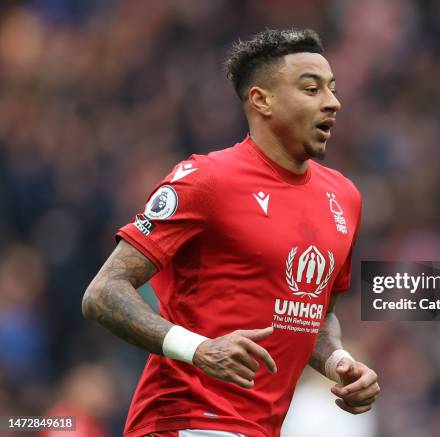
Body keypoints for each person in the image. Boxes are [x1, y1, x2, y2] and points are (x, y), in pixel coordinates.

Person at [82, 28, 380, 437]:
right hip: (185, 421)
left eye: (332, 88)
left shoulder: (344, 197)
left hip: (263, 429)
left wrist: (338, 362)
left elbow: (316, 311)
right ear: (262, 100)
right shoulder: (207, 180)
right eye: (311, 89)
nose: (332, 102)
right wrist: (199, 349)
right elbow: (103, 293)